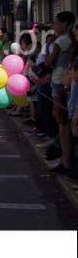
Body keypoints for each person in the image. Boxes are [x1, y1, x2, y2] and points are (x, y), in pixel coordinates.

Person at [45, 11, 76, 174]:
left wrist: (48, 47)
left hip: (59, 82)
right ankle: (65, 159)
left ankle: (65, 161)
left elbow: (48, 62)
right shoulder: (70, 39)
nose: (54, 26)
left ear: (64, 24)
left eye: (56, 23)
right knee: (64, 122)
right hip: (66, 82)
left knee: (62, 123)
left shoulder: (61, 40)